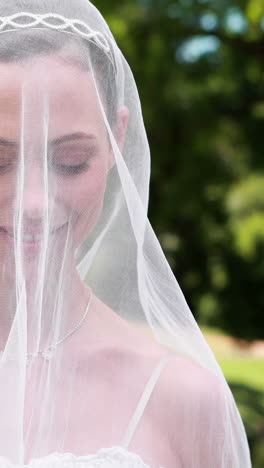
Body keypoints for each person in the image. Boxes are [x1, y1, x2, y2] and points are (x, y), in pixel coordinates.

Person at [0, 1, 251, 467]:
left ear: (116, 137)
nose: (33, 203)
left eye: (70, 160)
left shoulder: (181, 398)